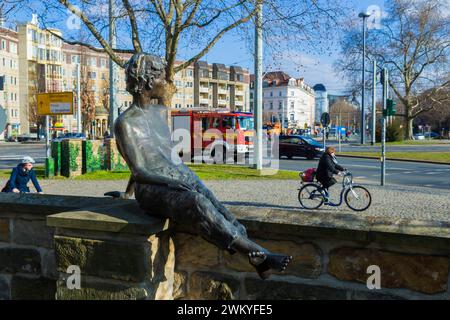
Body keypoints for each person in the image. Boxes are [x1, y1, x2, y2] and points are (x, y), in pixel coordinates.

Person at [104, 53, 292, 279]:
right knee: (197, 202)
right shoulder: (125, 123)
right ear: (147, 81)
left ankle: (255, 256)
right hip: (152, 188)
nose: (166, 82)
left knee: (212, 200)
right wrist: (159, 187)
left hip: (176, 175)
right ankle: (258, 253)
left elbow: (160, 156)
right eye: (162, 77)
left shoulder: (161, 113)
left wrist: (182, 177)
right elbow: (140, 171)